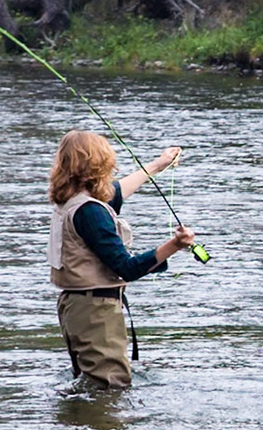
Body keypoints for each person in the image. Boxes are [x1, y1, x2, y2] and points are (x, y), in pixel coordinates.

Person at [48, 129, 199, 388]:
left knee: (91, 383)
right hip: (95, 312)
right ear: (98, 164)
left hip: (76, 307)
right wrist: (174, 245)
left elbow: (115, 193)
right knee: (110, 389)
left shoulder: (72, 202)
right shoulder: (90, 213)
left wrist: (157, 165)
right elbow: (126, 268)